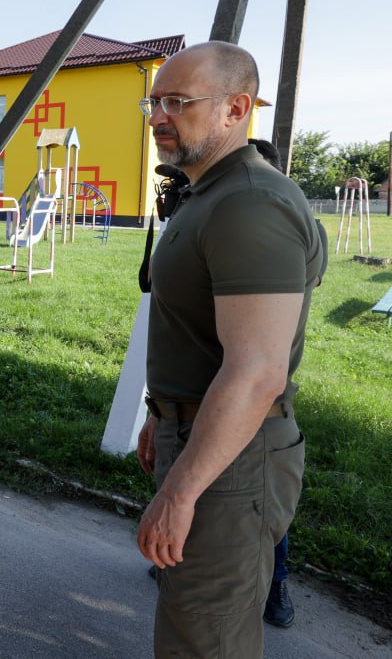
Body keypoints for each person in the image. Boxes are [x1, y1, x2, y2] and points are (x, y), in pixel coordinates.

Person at [134, 42, 323, 657]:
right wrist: (162, 415)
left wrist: (181, 492)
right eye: (154, 101)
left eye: (178, 102)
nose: (159, 115)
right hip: (201, 436)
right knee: (194, 621)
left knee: (204, 638)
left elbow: (256, 373)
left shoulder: (249, 203)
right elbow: (199, 334)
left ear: (236, 108)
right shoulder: (207, 193)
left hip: (232, 460)